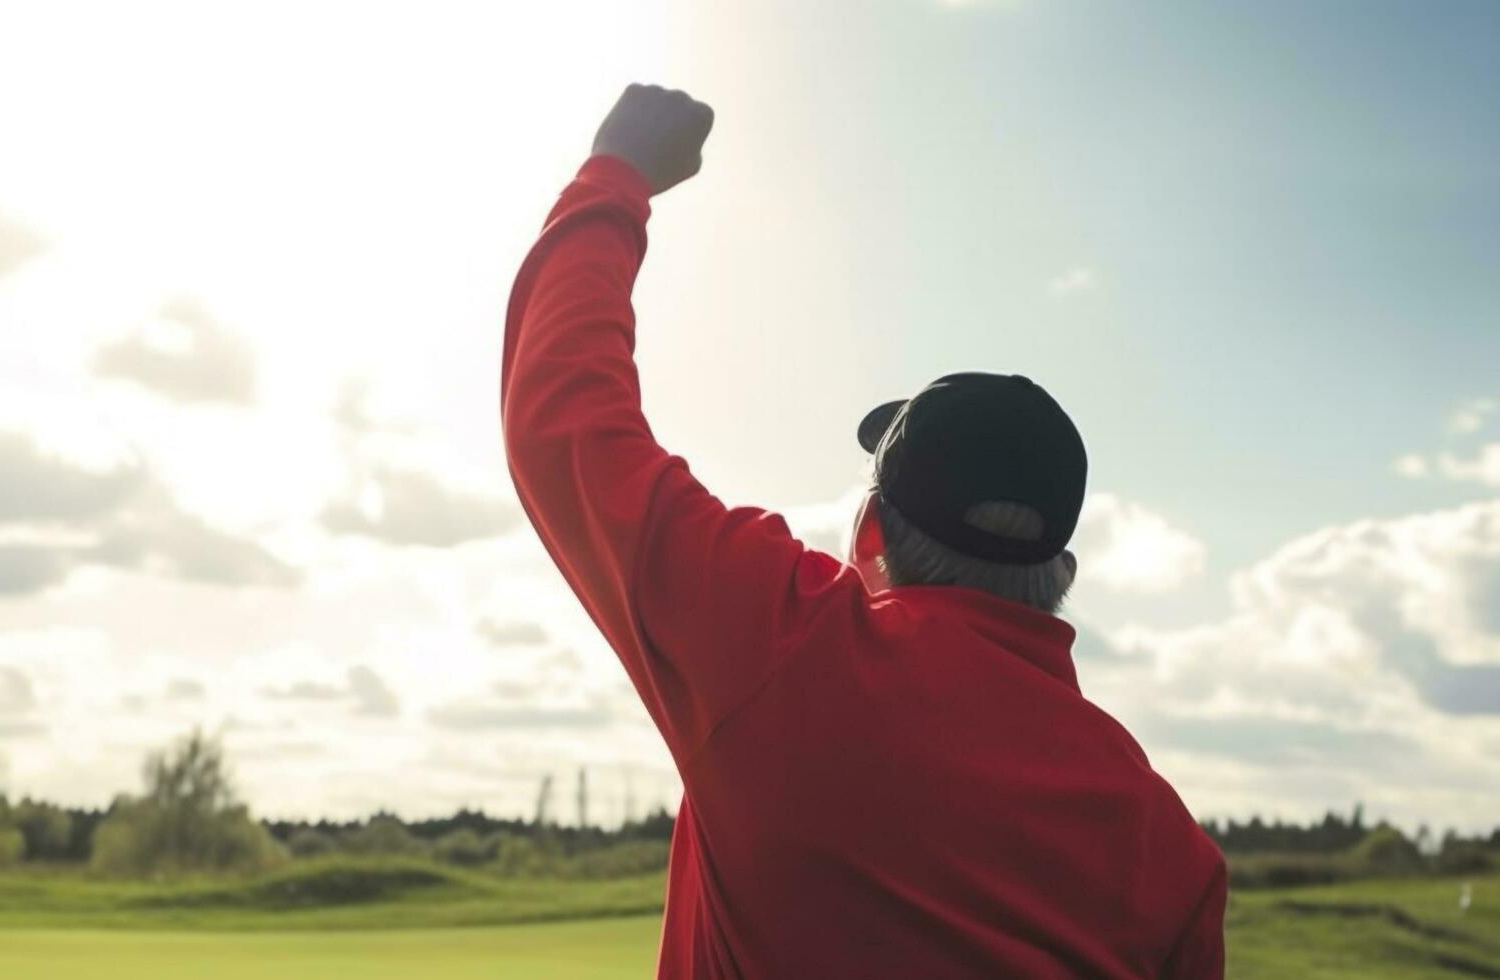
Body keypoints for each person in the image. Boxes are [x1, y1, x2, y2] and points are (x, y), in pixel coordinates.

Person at [501, 83, 1227, 979]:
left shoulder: (784, 645)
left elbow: (565, 420)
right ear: (1059, 571)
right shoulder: (1168, 846)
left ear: (872, 531)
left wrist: (614, 178)